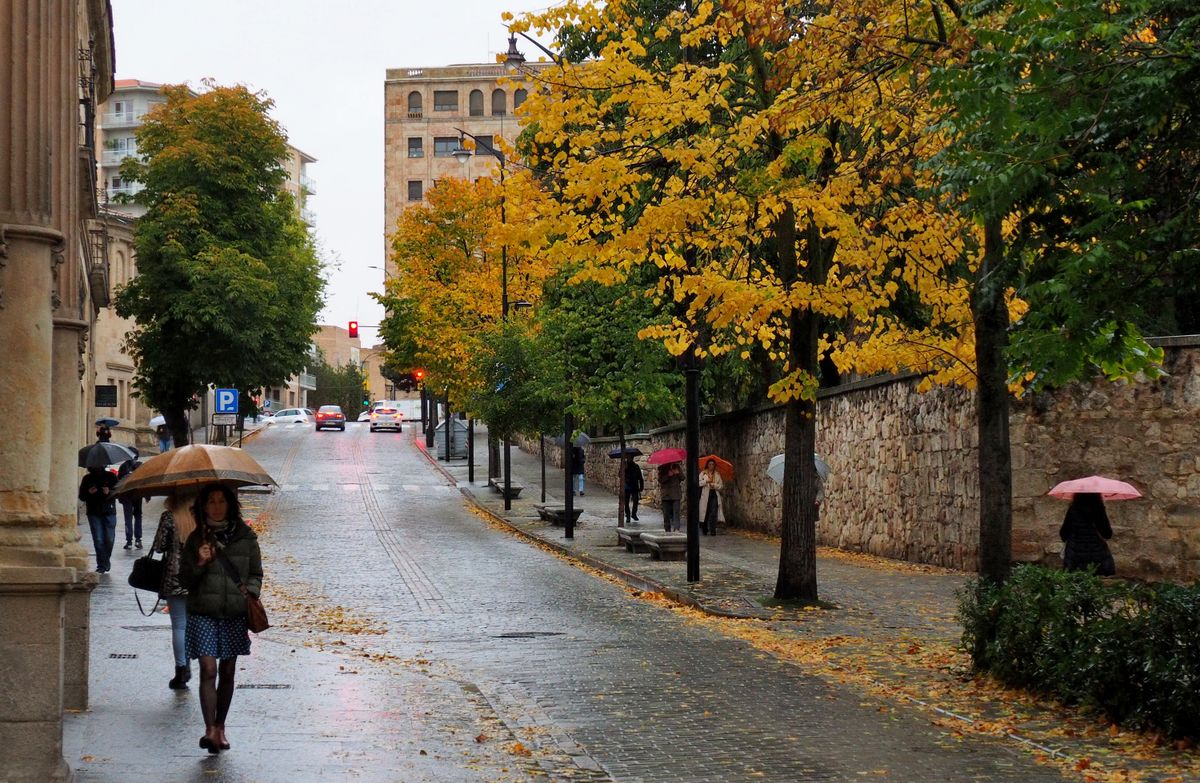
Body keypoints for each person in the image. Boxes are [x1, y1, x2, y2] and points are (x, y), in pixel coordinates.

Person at [180, 484, 263, 753]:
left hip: (234, 613)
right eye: (211, 502)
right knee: (209, 669)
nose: (216, 506)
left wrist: (248, 593)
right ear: (203, 507)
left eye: (221, 501)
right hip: (203, 610)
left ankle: (221, 726)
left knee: (227, 671)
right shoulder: (196, 539)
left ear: (230, 505)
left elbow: (256, 573)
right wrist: (200, 563)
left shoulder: (246, 537)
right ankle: (209, 730)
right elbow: (184, 580)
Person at [152, 490, 197, 690]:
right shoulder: (200, 515)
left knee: (179, 625)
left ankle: (182, 669)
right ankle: (193, 663)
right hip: (198, 575)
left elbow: (159, 547)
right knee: (192, 623)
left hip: (175, 574)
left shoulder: (169, 517)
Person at [1060, 492, 1116, 576]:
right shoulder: (1098, 509)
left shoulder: (1073, 509)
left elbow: (1063, 534)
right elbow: (1107, 534)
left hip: (1075, 557)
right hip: (1096, 557)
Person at [78, 466, 118, 573]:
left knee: (109, 539)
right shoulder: (87, 478)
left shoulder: (111, 476)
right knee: (98, 539)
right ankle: (101, 565)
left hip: (109, 511)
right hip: (93, 512)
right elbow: (81, 496)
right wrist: (89, 493)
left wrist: (108, 493)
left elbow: (118, 492)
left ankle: (105, 560)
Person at [118, 457, 143, 549]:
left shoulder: (123, 467)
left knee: (128, 518)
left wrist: (119, 497)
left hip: (126, 496)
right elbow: (145, 481)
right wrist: (147, 495)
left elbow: (119, 482)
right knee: (138, 516)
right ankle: (138, 540)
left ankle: (129, 541)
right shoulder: (140, 465)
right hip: (137, 495)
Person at [699, 459, 725, 535]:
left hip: (714, 494)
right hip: (706, 495)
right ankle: (704, 528)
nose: (711, 466)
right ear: (707, 465)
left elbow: (721, 486)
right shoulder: (703, 473)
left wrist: (715, 485)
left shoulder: (717, 474)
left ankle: (713, 530)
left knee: (713, 512)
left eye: (712, 464)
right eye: (710, 464)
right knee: (705, 512)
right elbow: (698, 482)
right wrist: (705, 482)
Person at [658, 462, 683, 532]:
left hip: (676, 494)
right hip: (666, 494)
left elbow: (683, 478)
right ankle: (667, 528)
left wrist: (678, 473)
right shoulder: (662, 468)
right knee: (666, 513)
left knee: (676, 512)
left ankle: (676, 528)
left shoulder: (677, 466)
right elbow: (660, 480)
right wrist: (668, 475)